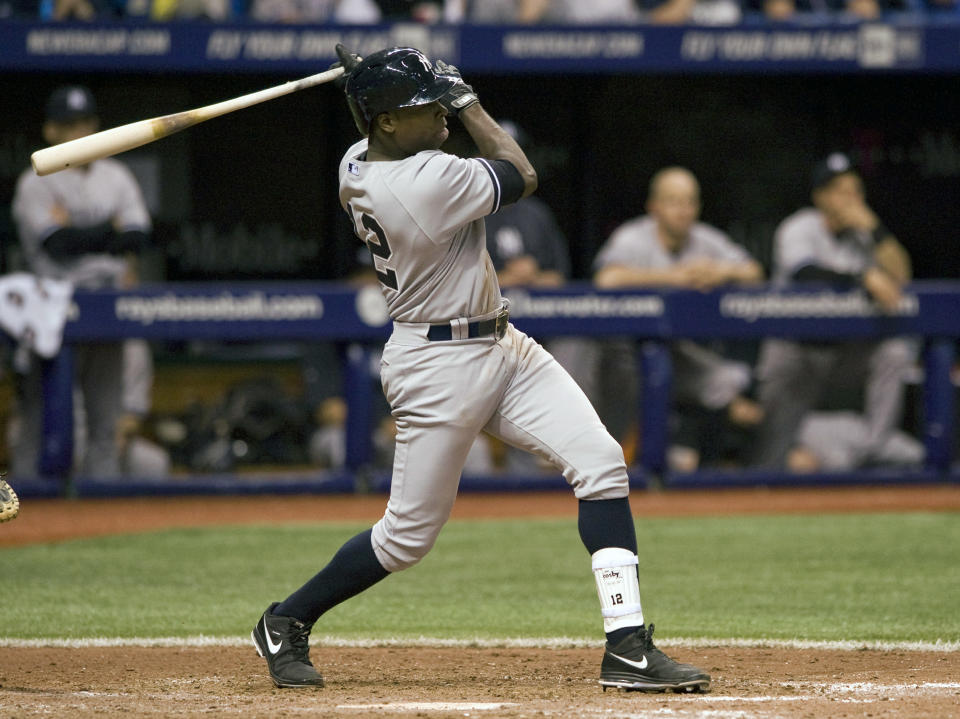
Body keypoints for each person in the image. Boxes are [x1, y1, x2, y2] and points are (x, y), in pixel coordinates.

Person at [251, 44, 710, 694]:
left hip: (500, 342)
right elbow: (521, 172)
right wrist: (464, 96)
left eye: (440, 101)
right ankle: (285, 618)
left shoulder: (355, 161)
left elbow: (392, 127)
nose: (439, 110)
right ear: (384, 122)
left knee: (603, 461)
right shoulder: (423, 182)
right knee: (406, 538)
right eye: (423, 105)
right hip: (436, 365)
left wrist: (383, 82)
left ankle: (628, 646)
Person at [10, 85, 152, 480]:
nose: (79, 133)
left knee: (105, 419)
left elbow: (139, 237)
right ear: (50, 131)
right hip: (50, 311)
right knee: (41, 419)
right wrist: (110, 231)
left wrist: (83, 232)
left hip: (107, 306)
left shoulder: (116, 176)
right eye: (68, 125)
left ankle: (100, 511)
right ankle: (29, 505)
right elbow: (57, 245)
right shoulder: (35, 180)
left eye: (85, 123)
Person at [749, 152, 918, 471]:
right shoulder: (800, 226)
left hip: (844, 355)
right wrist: (863, 276)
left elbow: (901, 275)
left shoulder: (864, 236)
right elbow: (805, 273)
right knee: (773, 451)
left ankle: (875, 449)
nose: (850, 199)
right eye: (840, 191)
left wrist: (875, 227)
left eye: (855, 190)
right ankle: (762, 480)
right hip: (795, 351)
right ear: (820, 197)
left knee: (893, 353)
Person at [593, 167, 765, 472]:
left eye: (689, 202)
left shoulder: (705, 240)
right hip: (626, 356)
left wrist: (722, 271)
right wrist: (671, 278)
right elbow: (607, 279)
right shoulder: (634, 237)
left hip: (679, 352)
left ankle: (707, 476)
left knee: (725, 380)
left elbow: (754, 273)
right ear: (654, 206)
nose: (683, 211)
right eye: (673, 201)